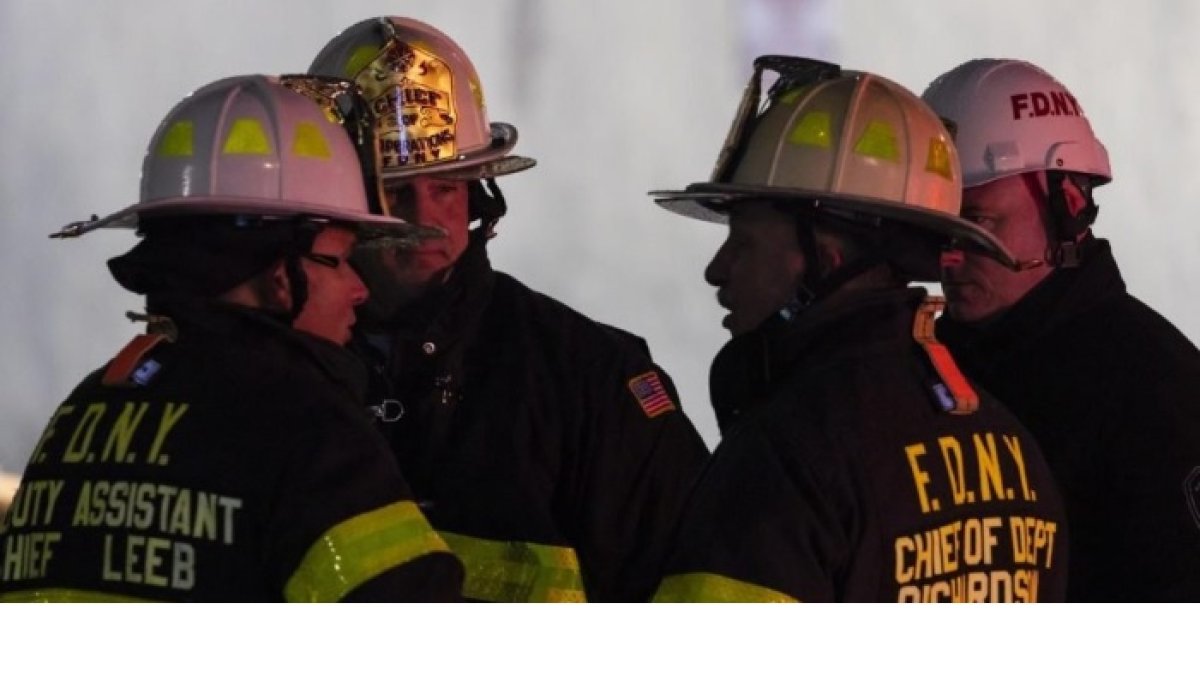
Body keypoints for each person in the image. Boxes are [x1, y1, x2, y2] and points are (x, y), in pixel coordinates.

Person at [0, 75, 463, 602]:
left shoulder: (84, 411)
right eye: (336, 260)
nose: (358, 289)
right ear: (280, 275)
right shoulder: (304, 426)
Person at [302, 16, 710, 601]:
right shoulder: (275, 374)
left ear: (479, 191)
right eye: (395, 190)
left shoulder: (588, 377)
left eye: (446, 186)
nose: (426, 219)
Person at [649, 56, 1068, 602]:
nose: (718, 269)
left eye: (744, 241)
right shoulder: (1012, 451)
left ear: (824, 256)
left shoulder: (787, 455)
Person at [923, 58, 1200, 601]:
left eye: (976, 224)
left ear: (1068, 205)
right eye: (935, 228)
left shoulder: (1156, 391)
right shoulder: (922, 370)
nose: (948, 258)